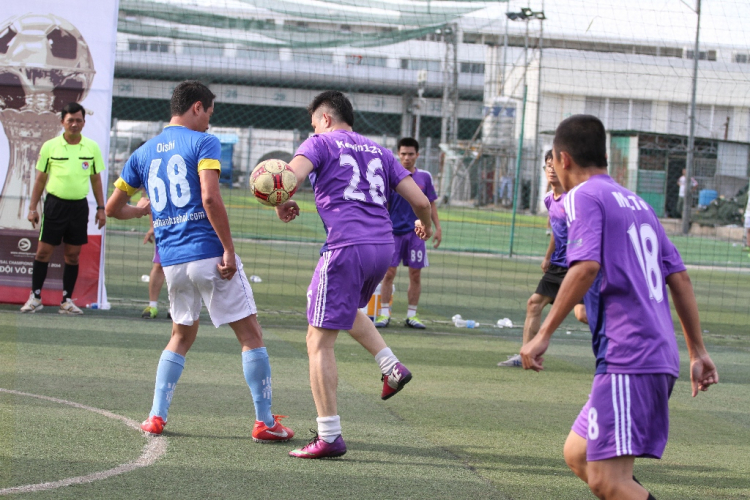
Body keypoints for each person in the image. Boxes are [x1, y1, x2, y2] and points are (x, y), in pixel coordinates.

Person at [520, 115, 718, 500]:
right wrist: (697, 351)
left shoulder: (582, 197)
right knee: (578, 454)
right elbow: (679, 277)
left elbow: (586, 266)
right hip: (651, 353)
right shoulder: (638, 203)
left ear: (562, 159)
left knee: (608, 480)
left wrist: (543, 334)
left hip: (630, 355)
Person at [105, 80, 293, 442]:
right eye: (209, 112)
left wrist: (141, 209)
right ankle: (265, 422)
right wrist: (229, 249)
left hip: (172, 260)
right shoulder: (204, 142)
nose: (209, 120)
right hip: (207, 253)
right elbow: (210, 198)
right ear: (196, 107)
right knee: (251, 335)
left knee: (180, 336)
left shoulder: (141, 153)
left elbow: (113, 209)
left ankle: (155, 417)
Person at [274, 91, 432, 459]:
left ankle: (329, 435)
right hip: (382, 248)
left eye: (314, 122)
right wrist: (423, 226)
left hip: (346, 247)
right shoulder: (381, 151)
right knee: (341, 310)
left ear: (325, 118)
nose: (312, 129)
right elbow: (421, 201)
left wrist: (282, 203)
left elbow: (287, 178)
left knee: (318, 339)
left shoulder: (319, 142)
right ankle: (391, 366)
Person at [498, 150, 587, 367]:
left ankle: (625, 338)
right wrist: (548, 257)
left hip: (578, 264)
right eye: (547, 165)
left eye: (555, 165)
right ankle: (525, 356)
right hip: (558, 266)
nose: (551, 169)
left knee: (582, 315)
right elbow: (557, 232)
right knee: (534, 303)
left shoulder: (574, 199)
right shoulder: (549, 199)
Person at [20, 102, 106, 315]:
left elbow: (96, 180)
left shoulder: (92, 148)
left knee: (73, 256)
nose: (74, 124)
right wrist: (32, 208)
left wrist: (101, 208)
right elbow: (40, 180)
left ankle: (66, 301)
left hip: (79, 208)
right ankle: (36, 297)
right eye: (70, 120)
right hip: (54, 206)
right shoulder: (50, 146)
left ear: (84, 123)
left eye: (78, 120)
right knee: (43, 253)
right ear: (62, 122)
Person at [375, 137, 442, 329]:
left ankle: (412, 315)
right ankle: (384, 313)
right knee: (388, 273)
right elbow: (383, 204)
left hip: (417, 233)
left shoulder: (425, 177)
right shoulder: (390, 175)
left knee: (415, 274)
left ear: (417, 155)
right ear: (398, 154)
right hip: (392, 232)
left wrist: (437, 228)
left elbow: (430, 204)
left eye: (411, 154)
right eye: (403, 153)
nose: (407, 157)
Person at [141, 219, 169, 320]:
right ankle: (152, 306)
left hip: (186, 225)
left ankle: (176, 307)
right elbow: (151, 204)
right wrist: (153, 226)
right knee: (159, 264)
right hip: (165, 225)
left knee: (183, 265)